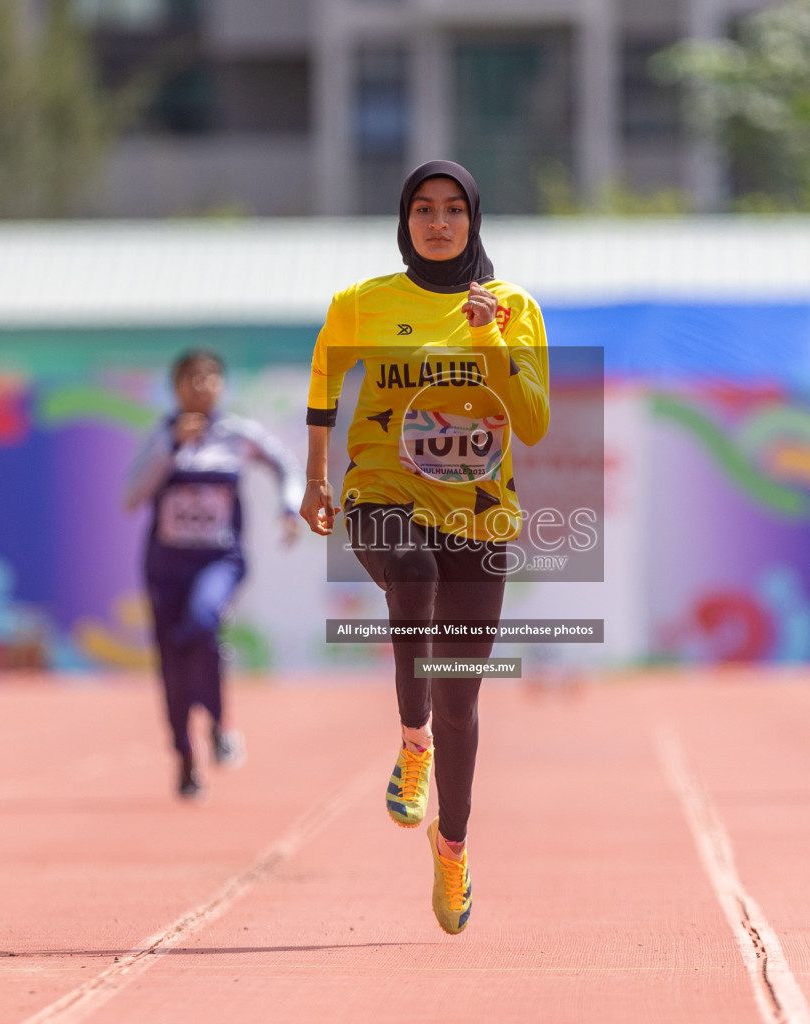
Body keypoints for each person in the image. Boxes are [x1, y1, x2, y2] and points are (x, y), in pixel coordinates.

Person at [301, 160, 549, 935]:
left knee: (461, 698)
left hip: (477, 512)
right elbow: (323, 388)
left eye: (452, 210)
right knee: (407, 570)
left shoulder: (511, 307)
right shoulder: (362, 303)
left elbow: (535, 422)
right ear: (404, 221)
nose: (437, 222)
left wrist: (494, 345)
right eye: (422, 209)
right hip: (383, 491)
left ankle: (453, 847)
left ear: (473, 220)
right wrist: (315, 480)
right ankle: (413, 745)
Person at [125, 350, 302, 799]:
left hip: (218, 560)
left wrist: (289, 507)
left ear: (223, 385)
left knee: (205, 621)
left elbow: (284, 463)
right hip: (166, 567)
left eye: (211, 377)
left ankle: (220, 723)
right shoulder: (161, 436)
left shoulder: (238, 436)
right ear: (176, 386)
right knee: (173, 663)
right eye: (191, 378)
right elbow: (131, 497)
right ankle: (184, 756)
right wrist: (171, 449)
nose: (202, 385)